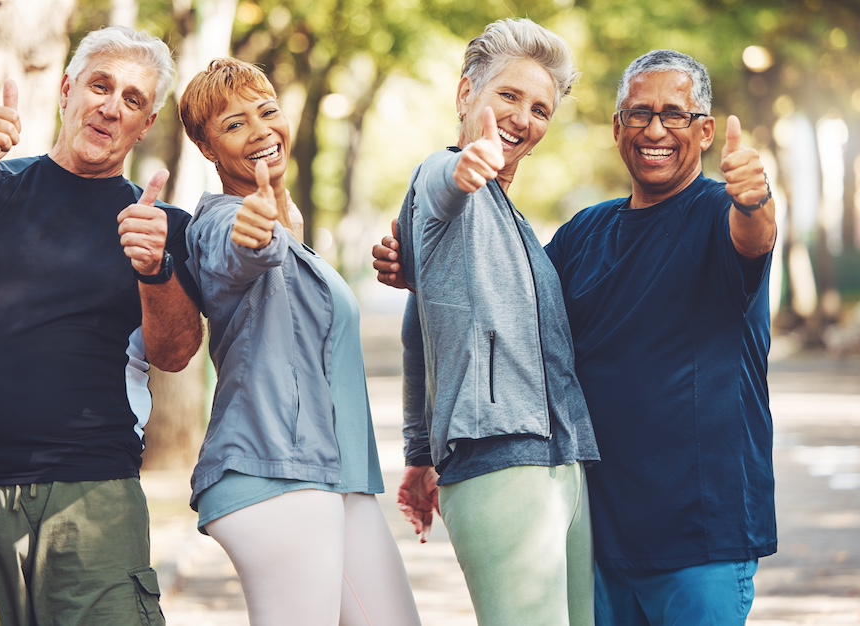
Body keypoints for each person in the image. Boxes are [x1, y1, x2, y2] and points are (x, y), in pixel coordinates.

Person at [375, 49, 777, 625]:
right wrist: (422, 270)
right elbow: (499, 301)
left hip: (699, 540)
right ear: (618, 128)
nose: (655, 129)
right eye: (639, 113)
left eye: (674, 114)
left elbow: (754, 239)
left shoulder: (718, 212)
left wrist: (754, 200)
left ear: (706, 131)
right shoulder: (585, 232)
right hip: (598, 535)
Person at [0, 26, 203, 625]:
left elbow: (176, 353)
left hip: (95, 488)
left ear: (146, 123)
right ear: (65, 89)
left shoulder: (159, 225)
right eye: (100, 86)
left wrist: (156, 270)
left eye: (132, 99)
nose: (110, 106)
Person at [176, 57, 421, 626]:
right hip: (274, 475)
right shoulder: (218, 222)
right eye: (234, 124)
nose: (261, 130)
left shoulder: (295, 236)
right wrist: (254, 230)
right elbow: (238, 251)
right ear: (207, 148)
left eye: (267, 111)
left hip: (332, 479)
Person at [391, 19, 600, 626]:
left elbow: (418, 326)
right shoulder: (444, 175)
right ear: (465, 96)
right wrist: (465, 169)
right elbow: (440, 184)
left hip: (563, 460)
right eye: (508, 95)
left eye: (541, 108)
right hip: (500, 460)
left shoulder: (515, 221)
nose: (523, 117)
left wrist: (418, 451)